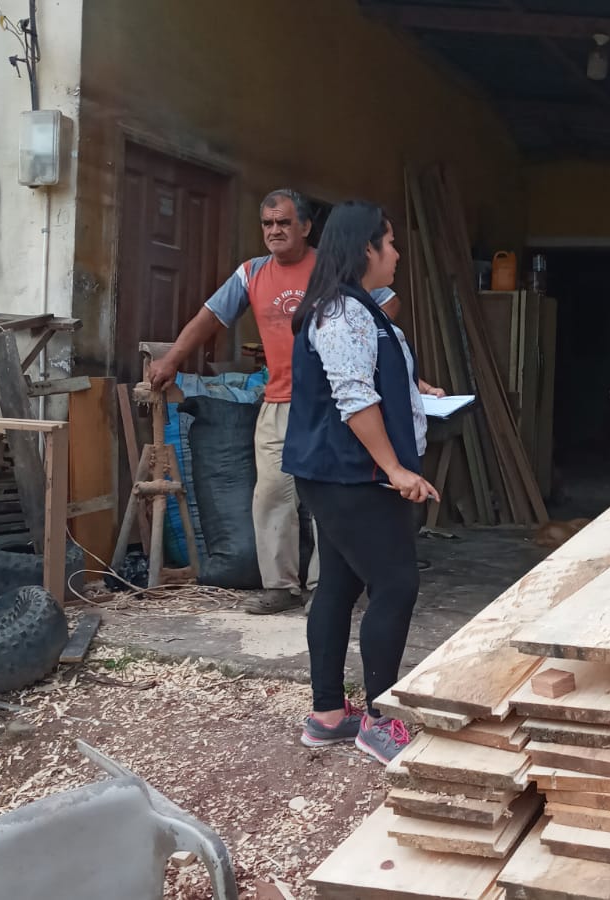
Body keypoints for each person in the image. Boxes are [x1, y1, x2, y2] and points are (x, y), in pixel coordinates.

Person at [146, 189, 396, 615]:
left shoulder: (332, 266)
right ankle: (281, 587)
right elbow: (210, 317)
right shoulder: (252, 273)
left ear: (306, 227)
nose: (275, 231)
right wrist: (171, 360)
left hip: (328, 405)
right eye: (267, 224)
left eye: (284, 222)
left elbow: (387, 303)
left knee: (325, 499)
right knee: (271, 496)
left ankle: (326, 589)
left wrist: (364, 352)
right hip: (278, 401)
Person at [282, 200, 444, 764]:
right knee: (395, 583)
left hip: (338, 472)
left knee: (339, 583)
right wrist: (396, 469)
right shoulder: (343, 313)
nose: (396, 253)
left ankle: (328, 714)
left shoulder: (358, 309)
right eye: (390, 242)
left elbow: (366, 380)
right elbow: (354, 399)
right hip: (352, 475)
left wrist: (417, 394)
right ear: (365, 248)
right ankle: (379, 719)